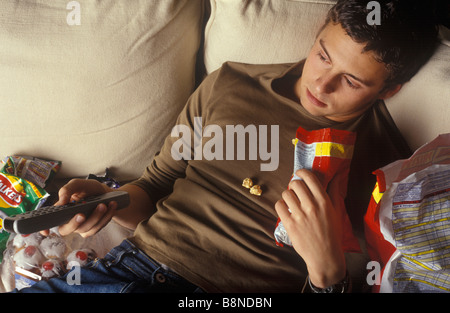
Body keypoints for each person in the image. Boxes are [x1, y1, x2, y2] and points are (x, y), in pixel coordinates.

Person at [16, 0, 438, 293]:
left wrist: (326, 272)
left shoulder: (388, 167)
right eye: (324, 55)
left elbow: (368, 278)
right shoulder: (229, 83)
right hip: (122, 268)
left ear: (390, 90)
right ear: (317, 35)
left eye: (351, 81)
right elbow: (157, 184)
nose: (321, 83)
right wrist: (109, 201)